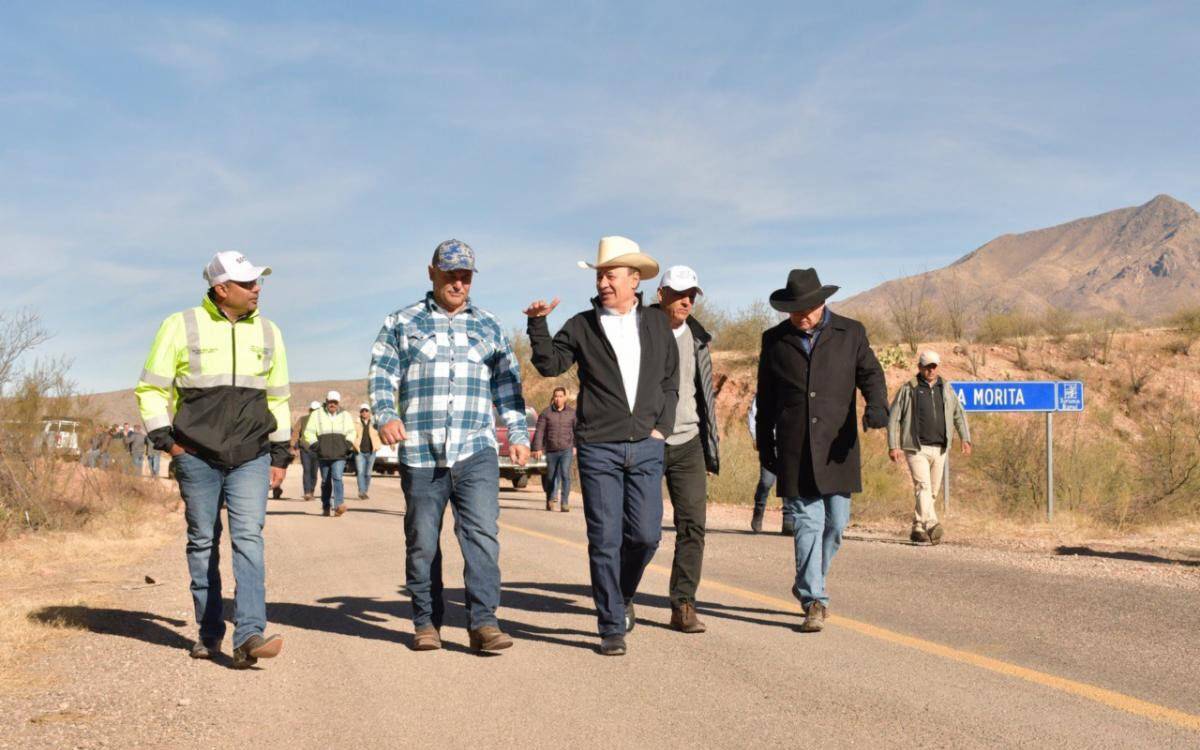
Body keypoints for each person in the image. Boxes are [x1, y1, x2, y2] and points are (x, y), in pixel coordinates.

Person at [369, 239, 530, 653]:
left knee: (481, 536)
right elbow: (383, 374)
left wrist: (517, 434)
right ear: (431, 272)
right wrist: (386, 414)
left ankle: (484, 623)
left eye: (465, 275)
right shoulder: (402, 321)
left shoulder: (489, 325)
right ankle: (426, 622)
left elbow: (508, 385)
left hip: (475, 448)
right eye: (450, 274)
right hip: (421, 450)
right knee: (423, 540)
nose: (458, 283)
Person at [135, 250, 291, 668]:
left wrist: (281, 451)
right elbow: (150, 389)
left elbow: (278, 398)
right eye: (248, 283)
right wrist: (168, 442)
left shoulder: (270, 331)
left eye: (258, 281)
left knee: (249, 540)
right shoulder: (180, 325)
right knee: (203, 542)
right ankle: (209, 634)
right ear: (222, 289)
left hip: (251, 455)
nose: (257, 288)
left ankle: (250, 634)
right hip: (197, 456)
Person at [525, 236, 679, 656]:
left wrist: (661, 428)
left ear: (633, 279)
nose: (604, 283)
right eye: (599, 276)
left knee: (646, 536)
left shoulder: (657, 323)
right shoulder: (582, 324)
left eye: (610, 275)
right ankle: (611, 623)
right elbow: (550, 364)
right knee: (605, 538)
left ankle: (623, 594)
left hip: (647, 445)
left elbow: (669, 380)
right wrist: (538, 325)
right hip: (598, 448)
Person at [756, 268, 888, 634]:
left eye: (808, 308)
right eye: (795, 310)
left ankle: (809, 580)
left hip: (837, 447)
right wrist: (765, 444)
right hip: (795, 448)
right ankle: (814, 598)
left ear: (822, 302)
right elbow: (765, 398)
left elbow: (872, 375)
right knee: (807, 524)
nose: (802, 316)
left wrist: (876, 407)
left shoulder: (851, 333)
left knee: (837, 525)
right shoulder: (774, 341)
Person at [652, 265, 720, 634]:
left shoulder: (698, 338)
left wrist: (711, 442)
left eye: (692, 294)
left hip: (689, 442)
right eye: (679, 293)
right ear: (660, 294)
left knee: (693, 525)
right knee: (640, 530)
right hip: (648, 442)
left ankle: (683, 603)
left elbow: (704, 393)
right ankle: (622, 596)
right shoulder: (642, 331)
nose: (687, 300)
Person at [887, 350, 972, 544]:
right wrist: (893, 445)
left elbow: (958, 413)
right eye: (928, 366)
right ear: (920, 367)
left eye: (934, 366)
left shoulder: (946, 388)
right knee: (923, 486)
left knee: (932, 491)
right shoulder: (909, 389)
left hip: (940, 448)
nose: (931, 370)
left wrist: (965, 438)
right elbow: (893, 418)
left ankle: (918, 527)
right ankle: (932, 523)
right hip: (915, 447)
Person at [302, 390, 357, 517]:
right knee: (325, 481)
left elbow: (352, 432)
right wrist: (317, 446)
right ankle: (326, 506)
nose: (332, 404)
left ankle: (339, 505)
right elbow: (308, 432)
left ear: (338, 403)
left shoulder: (346, 415)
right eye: (330, 402)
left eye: (335, 402)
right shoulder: (316, 414)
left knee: (337, 477)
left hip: (340, 454)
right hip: (323, 454)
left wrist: (347, 445)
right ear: (326, 402)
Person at [748, 397, 793, 535]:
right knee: (766, 482)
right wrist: (756, 437)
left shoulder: (792, 389)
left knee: (787, 482)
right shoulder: (765, 391)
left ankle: (788, 521)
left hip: (788, 443)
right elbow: (753, 414)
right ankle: (758, 512)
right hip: (769, 443)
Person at [531, 387, 576, 512]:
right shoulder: (546, 413)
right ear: (553, 397)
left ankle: (565, 503)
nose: (558, 399)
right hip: (551, 450)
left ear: (565, 398)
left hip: (566, 449)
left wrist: (576, 446)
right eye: (556, 396)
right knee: (550, 477)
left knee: (565, 474)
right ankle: (550, 499)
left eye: (561, 396)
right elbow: (539, 432)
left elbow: (577, 431)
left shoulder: (572, 413)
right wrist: (537, 448)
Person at [292, 401, 321, 500]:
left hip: (317, 450)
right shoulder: (303, 419)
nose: (314, 412)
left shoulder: (322, 421)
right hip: (305, 449)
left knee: (314, 472)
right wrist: (292, 446)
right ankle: (307, 492)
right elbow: (296, 432)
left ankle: (311, 491)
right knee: (307, 470)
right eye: (313, 410)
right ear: (310, 410)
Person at [354, 404, 381, 499]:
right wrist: (354, 445)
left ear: (369, 412)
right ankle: (361, 492)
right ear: (360, 412)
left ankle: (364, 491)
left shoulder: (375, 423)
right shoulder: (356, 423)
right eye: (362, 411)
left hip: (371, 451)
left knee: (368, 473)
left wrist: (390, 444)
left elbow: (381, 433)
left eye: (366, 410)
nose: (364, 412)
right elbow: (352, 435)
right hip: (359, 452)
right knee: (360, 472)